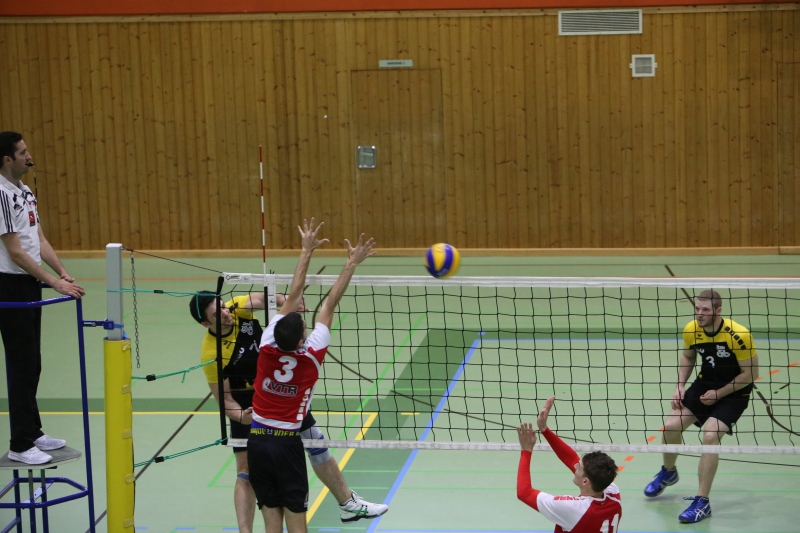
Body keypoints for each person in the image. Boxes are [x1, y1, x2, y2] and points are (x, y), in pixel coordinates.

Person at [189, 286, 387, 532]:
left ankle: (348, 503)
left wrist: (287, 301)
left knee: (317, 444)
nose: (225, 312)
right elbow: (224, 399)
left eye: (222, 305)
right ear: (206, 324)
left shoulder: (236, 308)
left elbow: (262, 298)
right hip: (247, 404)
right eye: (217, 314)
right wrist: (241, 416)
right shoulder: (211, 353)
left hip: (278, 391)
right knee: (245, 471)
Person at [248, 219, 381, 533]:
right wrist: (351, 262)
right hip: (286, 445)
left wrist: (306, 249)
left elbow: (294, 293)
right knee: (296, 518)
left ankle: (347, 502)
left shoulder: (267, 342)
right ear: (300, 341)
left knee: (270, 516)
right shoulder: (312, 355)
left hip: (257, 440)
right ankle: (347, 503)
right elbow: (329, 304)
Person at [0, 131, 85, 465]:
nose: (28, 156)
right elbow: (16, 253)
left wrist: (61, 272)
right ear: (7, 159)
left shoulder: (25, 192)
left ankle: (32, 432)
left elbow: (40, 240)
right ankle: (20, 445)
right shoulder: (1, 195)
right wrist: (52, 282)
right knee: (21, 363)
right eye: (22, 152)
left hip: (28, 284)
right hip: (9, 285)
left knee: (32, 361)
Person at [643, 289, 759, 523]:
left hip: (734, 391)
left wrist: (719, 394)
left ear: (718, 311)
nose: (699, 314)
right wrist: (679, 385)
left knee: (710, 436)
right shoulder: (692, 330)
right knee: (671, 426)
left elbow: (751, 374)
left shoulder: (739, 335)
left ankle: (702, 502)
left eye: (705, 310)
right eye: (697, 309)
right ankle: (668, 472)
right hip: (705, 383)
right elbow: (688, 357)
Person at [517, 396, 622, 533]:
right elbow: (571, 459)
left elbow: (524, 493)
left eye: (579, 467)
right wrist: (544, 429)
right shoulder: (612, 493)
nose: (575, 465)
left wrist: (526, 450)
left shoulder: (572, 509)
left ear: (586, 481)